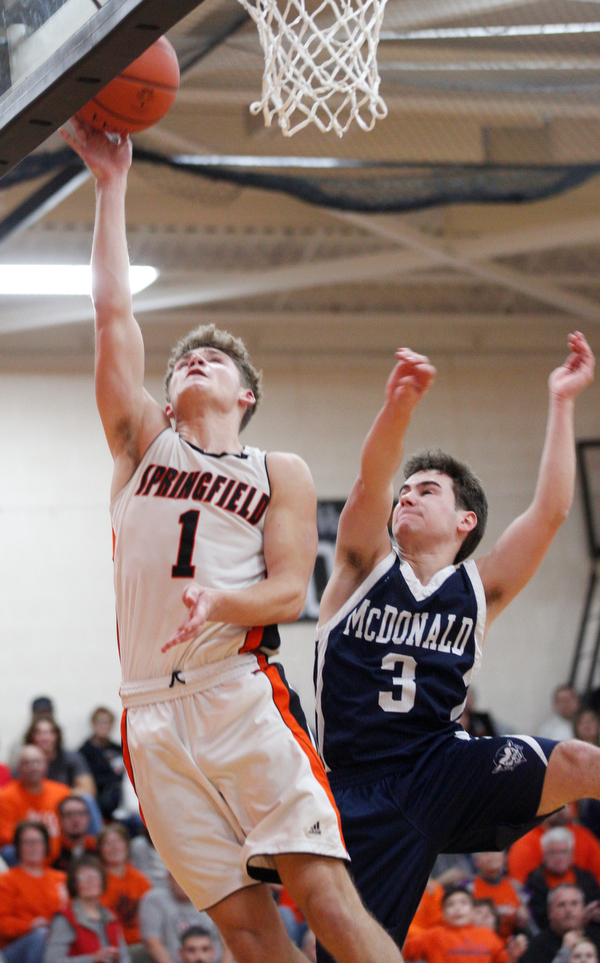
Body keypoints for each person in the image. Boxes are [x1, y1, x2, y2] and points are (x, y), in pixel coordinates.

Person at [60, 115, 403, 963]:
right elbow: (111, 314)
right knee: (245, 930)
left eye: (216, 360)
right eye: (183, 362)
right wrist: (112, 187)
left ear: (247, 394)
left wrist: (223, 599)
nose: (195, 361)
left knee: (323, 894)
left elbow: (289, 593)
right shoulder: (143, 443)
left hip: (236, 690)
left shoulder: (274, 468)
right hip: (148, 712)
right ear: (167, 396)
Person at [314, 336, 596, 956]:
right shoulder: (361, 568)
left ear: (466, 520)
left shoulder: (478, 588)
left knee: (582, 762)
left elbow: (549, 513)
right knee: (355, 951)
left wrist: (562, 401)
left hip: (442, 766)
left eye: (428, 489)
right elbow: (370, 481)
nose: (407, 495)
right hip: (355, 788)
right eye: (405, 490)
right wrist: (399, 408)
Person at [43, 853, 130, 963]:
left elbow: (125, 958)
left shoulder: (110, 917)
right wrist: (92, 959)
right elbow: (51, 961)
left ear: (101, 881)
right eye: (83, 877)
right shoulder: (65, 919)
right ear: (75, 884)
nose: (90, 881)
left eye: (94, 876)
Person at [0, 821, 67, 963]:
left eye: (37, 841)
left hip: (56, 941)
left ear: (46, 845)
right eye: (27, 842)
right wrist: (30, 925)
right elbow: (2, 924)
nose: (33, 847)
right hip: (16, 947)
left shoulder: (61, 878)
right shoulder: (6, 880)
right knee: (40, 935)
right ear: (18, 847)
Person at [403, 886, 526, 963]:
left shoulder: (488, 935)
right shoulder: (433, 936)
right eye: (451, 905)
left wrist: (513, 956)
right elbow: (402, 952)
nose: (457, 909)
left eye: (463, 903)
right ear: (443, 914)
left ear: (473, 911)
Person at [0, 747, 71, 865]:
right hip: (25, 855)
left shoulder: (62, 792)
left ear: (46, 765)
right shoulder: (5, 796)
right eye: (27, 763)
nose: (33, 767)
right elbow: (4, 835)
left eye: (37, 762)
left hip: (59, 854)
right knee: (9, 851)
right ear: (19, 768)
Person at [138, 874, 228, 963]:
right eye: (180, 877)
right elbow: (151, 941)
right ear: (169, 877)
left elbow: (229, 938)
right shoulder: (155, 900)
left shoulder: (213, 896)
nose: (185, 883)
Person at [526, 829, 600, 931]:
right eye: (553, 853)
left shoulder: (586, 879)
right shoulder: (534, 882)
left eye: (563, 852)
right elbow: (536, 916)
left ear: (571, 854)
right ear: (544, 855)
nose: (558, 858)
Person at [508, 808, 600, 886]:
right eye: (556, 804)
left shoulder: (583, 836)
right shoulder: (526, 841)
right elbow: (520, 886)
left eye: (567, 803)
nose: (561, 809)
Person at [97, 826, 151, 948]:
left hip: (144, 944)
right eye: (107, 843)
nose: (114, 847)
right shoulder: (97, 882)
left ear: (126, 845)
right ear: (100, 850)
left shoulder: (141, 880)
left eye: (118, 841)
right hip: (111, 946)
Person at [521, 885, 600, 963]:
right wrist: (566, 950)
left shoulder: (597, 938)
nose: (568, 910)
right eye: (561, 905)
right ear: (550, 912)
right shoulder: (536, 947)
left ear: (583, 909)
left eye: (574, 904)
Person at [79, 709, 125, 823]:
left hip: (123, 799)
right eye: (100, 722)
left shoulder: (119, 749)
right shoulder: (85, 751)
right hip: (99, 800)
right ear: (93, 724)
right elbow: (89, 780)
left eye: (107, 722)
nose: (104, 726)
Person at [471, 852, 529, 939]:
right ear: (476, 861)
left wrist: (522, 921)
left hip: (511, 944)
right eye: (486, 853)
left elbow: (530, 925)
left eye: (496, 852)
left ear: (505, 857)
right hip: (479, 944)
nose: (492, 856)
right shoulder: (468, 887)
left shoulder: (516, 887)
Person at [52, 797, 97, 873]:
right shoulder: (52, 850)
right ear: (60, 819)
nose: (75, 819)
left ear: (89, 818)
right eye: (69, 814)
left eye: (80, 813)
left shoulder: (98, 847)